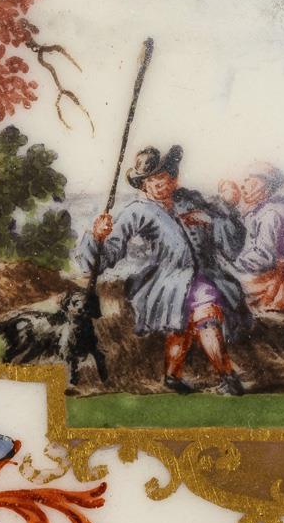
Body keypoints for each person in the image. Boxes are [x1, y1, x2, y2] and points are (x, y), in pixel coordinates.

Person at [78, 144, 250, 395]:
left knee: (194, 319)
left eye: (164, 176)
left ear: (174, 178)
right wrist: (97, 236)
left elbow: (226, 225)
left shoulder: (190, 199)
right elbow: (105, 257)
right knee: (196, 317)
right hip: (167, 281)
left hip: (206, 275)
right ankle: (226, 376)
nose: (160, 183)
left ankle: (174, 377)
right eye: (152, 179)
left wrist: (222, 208)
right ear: (143, 184)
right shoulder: (137, 211)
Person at [218, 161, 284, 313]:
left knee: (222, 284)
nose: (243, 186)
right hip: (276, 277)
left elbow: (263, 256)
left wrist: (232, 265)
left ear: (261, 185)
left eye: (249, 180)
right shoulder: (268, 206)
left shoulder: (271, 212)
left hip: (278, 283)